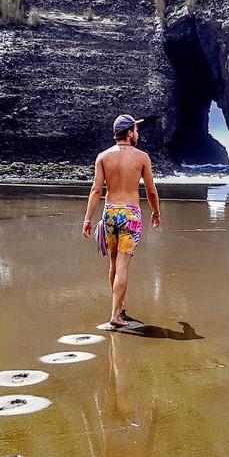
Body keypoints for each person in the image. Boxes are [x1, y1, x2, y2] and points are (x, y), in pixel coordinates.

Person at [82, 114, 161, 328]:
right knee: (123, 265)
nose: (138, 133)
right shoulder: (142, 157)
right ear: (129, 133)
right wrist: (156, 213)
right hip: (130, 215)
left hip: (109, 212)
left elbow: (96, 189)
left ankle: (119, 305)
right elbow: (151, 191)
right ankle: (115, 315)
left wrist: (88, 219)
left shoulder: (103, 157)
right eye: (136, 129)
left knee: (113, 263)